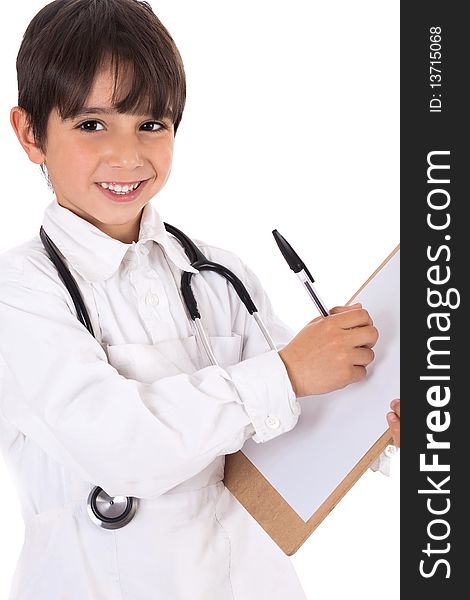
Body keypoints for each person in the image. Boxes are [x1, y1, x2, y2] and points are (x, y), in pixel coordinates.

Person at [0, 1, 399, 598]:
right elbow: (121, 445)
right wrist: (289, 372)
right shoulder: (22, 292)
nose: (127, 155)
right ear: (31, 133)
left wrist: (373, 422)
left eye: (151, 125)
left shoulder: (218, 274)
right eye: (91, 125)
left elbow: (287, 423)